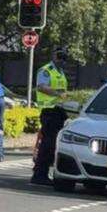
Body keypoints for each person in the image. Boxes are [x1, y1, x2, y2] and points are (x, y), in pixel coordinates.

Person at [30, 48, 69, 185]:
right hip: (49, 111)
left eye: (64, 58)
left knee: (54, 145)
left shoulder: (60, 72)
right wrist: (57, 94)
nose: (62, 61)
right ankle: (39, 175)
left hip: (59, 111)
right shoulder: (46, 70)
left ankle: (43, 173)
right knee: (48, 144)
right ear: (54, 56)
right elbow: (41, 87)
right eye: (60, 57)